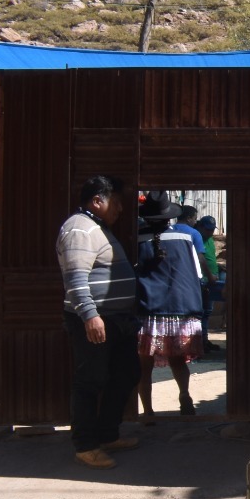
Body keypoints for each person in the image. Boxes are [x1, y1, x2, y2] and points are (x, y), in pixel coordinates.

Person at [55, 174, 140, 469]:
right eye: (115, 203)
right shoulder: (80, 230)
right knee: (90, 381)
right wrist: (90, 315)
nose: (120, 209)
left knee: (127, 373)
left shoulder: (98, 228)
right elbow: (75, 279)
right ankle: (86, 445)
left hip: (116, 319)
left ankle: (107, 434)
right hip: (93, 319)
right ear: (97, 201)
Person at [132, 192, 205, 419]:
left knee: (144, 365)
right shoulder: (185, 238)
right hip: (181, 310)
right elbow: (197, 273)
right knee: (177, 359)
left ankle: (148, 412)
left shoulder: (136, 240)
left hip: (150, 311)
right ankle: (184, 395)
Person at [195, 215, 221, 352]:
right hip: (203, 280)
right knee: (202, 312)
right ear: (200, 227)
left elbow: (210, 257)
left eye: (212, 230)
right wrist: (209, 275)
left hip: (212, 280)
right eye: (207, 229)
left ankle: (204, 340)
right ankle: (201, 342)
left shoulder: (209, 239)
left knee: (207, 311)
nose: (210, 232)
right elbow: (201, 260)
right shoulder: (197, 239)